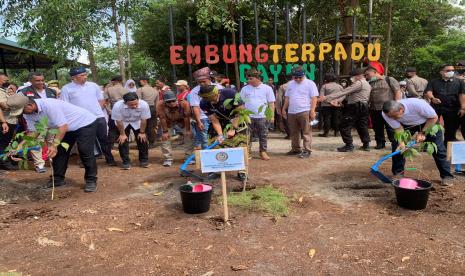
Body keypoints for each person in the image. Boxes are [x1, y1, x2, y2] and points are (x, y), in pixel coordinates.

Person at [7, 94, 99, 192]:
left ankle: (91, 180)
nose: (22, 114)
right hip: (66, 128)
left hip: (84, 123)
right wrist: (18, 147)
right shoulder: (28, 114)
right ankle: (58, 179)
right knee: (60, 152)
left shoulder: (49, 105)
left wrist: (54, 145)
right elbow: (34, 132)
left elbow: (63, 127)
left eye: (22, 111)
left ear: (30, 105)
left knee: (84, 150)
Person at [382, 99, 454, 186]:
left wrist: (423, 133)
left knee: (438, 149)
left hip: (429, 122)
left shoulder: (417, 104)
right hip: (406, 126)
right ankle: (398, 174)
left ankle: (446, 176)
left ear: (401, 110)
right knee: (398, 148)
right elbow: (398, 128)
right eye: (391, 117)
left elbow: (434, 117)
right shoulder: (386, 114)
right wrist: (401, 142)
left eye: (395, 116)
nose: (393, 118)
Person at [60, 67, 116, 166]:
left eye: (85, 74)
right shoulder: (66, 88)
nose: (85, 77)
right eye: (82, 75)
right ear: (73, 77)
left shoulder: (93, 86)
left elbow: (101, 100)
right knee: (84, 142)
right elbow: (65, 105)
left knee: (104, 139)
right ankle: (84, 161)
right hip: (80, 120)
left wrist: (96, 112)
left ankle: (110, 159)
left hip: (98, 117)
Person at [198, 85, 247, 180]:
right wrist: (220, 134)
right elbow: (214, 120)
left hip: (236, 119)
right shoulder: (203, 103)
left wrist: (233, 129)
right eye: (206, 98)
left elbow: (241, 111)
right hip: (220, 121)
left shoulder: (230, 93)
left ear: (217, 93)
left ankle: (242, 171)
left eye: (211, 98)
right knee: (214, 143)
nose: (209, 101)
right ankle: (216, 169)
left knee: (240, 144)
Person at [320, 68, 371, 152]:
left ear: (358, 76)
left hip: (355, 107)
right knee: (362, 126)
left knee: (344, 125)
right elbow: (348, 94)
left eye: (352, 76)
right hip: (364, 107)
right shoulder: (367, 84)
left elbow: (344, 92)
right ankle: (366, 144)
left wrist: (326, 97)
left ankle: (349, 145)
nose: (351, 78)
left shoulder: (359, 83)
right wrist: (338, 100)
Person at [19, 72, 58, 173]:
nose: (41, 82)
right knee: (36, 141)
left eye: (42, 80)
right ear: (31, 81)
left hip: (51, 120)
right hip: (35, 120)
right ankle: (39, 164)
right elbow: (19, 106)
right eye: (37, 80)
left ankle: (51, 159)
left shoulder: (51, 91)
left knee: (51, 141)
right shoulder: (23, 92)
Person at [282, 66, 318, 158]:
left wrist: (312, 111)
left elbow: (314, 98)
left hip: (305, 110)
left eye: (300, 77)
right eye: (295, 77)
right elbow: (287, 98)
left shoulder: (310, 83)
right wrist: (284, 109)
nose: (297, 79)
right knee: (294, 132)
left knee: (306, 132)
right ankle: (296, 149)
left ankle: (307, 150)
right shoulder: (290, 84)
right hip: (292, 111)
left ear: (304, 75)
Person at [424, 64, 465, 146]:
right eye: (448, 70)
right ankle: (430, 143)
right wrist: (432, 98)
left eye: (452, 70)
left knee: (451, 127)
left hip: (452, 108)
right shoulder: (433, 81)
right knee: (432, 126)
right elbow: (428, 92)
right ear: (441, 72)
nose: (451, 72)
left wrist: (463, 108)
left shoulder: (459, 82)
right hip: (436, 107)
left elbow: (462, 95)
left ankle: (448, 144)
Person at [240, 69, 275, 160]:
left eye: (251, 79)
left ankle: (263, 152)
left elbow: (271, 103)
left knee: (263, 135)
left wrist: (271, 116)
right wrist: (241, 115)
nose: (248, 81)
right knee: (247, 135)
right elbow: (242, 104)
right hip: (248, 116)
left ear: (257, 78)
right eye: (248, 79)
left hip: (262, 116)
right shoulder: (244, 89)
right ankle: (247, 152)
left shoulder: (267, 88)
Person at [364, 66, 402, 149]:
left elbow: (397, 91)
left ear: (375, 72)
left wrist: (397, 105)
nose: (366, 76)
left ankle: (395, 143)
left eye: (367, 74)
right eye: (365, 75)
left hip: (389, 109)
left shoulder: (389, 79)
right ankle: (380, 143)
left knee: (391, 127)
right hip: (374, 109)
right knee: (377, 127)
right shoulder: (370, 83)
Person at [111, 93, 151, 170]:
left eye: (136, 104)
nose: (134, 106)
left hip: (137, 121)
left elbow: (144, 119)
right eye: (131, 105)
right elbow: (118, 121)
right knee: (122, 141)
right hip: (123, 122)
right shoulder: (117, 106)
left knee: (142, 139)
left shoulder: (144, 105)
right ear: (125, 103)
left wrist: (142, 133)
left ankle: (144, 161)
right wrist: (122, 134)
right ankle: (126, 162)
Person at [189, 67, 223, 151]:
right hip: (204, 117)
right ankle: (207, 158)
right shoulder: (194, 91)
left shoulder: (218, 87)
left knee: (220, 136)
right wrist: (198, 121)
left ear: (209, 79)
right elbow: (195, 107)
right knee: (205, 139)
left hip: (218, 116)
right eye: (199, 82)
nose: (202, 84)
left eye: (204, 81)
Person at [157, 90, 192, 167]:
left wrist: (188, 130)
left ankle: (188, 157)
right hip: (168, 121)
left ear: (176, 99)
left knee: (188, 136)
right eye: (169, 102)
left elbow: (186, 117)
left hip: (182, 120)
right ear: (164, 101)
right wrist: (165, 131)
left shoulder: (184, 103)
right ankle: (168, 158)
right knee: (165, 138)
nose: (171, 103)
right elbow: (162, 118)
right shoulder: (160, 105)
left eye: (173, 101)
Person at [104, 75, 128, 145]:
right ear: (121, 81)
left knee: (112, 128)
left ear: (114, 81)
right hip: (123, 110)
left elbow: (106, 102)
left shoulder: (108, 89)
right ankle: (122, 143)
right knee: (123, 127)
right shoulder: (125, 90)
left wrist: (109, 111)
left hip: (113, 109)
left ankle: (111, 145)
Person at [0, 80, 18, 170]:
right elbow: (4, 106)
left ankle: (6, 159)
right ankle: (4, 162)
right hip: (5, 121)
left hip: (11, 121)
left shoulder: (5, 92)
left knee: (7, 143)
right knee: (3, 143)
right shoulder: (1, 92)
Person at [136, 76, 159, 148]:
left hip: (143, 108)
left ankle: (143, 143)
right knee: (151, 126)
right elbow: (157, 103)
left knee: (142, 125)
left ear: (145, 81)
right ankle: (152, 142)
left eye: (140, 81)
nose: (139, 82)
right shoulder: (155, 90)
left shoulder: (140, 89)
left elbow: (137, 101)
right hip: (152, 108)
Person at [318, 73, 343, 137]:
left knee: (326, 119)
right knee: (336, 118)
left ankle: (326, 133)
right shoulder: (339, 86)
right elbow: (344, 95)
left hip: (326, 105)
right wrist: (338, 101)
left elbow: (321, 97)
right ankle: (337, 132)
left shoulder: (324, 86)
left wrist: (330, 102)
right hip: (337, 105)